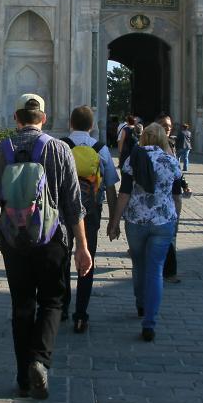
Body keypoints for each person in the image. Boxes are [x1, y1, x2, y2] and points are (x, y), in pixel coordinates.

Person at [0, 94, 92, 399]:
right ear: (44, 118)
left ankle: (23, 378)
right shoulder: (59, 149)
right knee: (52, 301)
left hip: (13, 241)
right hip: (52, 240)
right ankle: (40, 361)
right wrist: (83, 247)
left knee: (22, 306)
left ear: (16, 118)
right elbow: (73, 205)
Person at [106, 122, 184, 342]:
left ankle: (141, 303)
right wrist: (175, 221)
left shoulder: (133, 159)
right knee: (156, 270)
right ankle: (150, 321)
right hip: (163, 222)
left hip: (136, 221)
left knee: (139, 264)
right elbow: (177, 197)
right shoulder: (171, 161)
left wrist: (114, 222)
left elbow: (124, 194)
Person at [61, 105, 119, 333]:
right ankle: (81, 315)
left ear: (70, 124)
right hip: (91, 211)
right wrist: (113, 221)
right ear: (92, 126)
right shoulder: (101, 149)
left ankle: (62, 306)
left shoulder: (61, 146)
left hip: (64, 212)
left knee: (62, 258)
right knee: (87, 260)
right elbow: (111, 187)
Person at [156, 114, 184, 282]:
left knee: (170, 234)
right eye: (163, 125)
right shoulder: (149, 147)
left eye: (169, 125)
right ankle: (168, 272)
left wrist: (184, 184)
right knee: (167, 234)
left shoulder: (171, 144)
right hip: (159, 198)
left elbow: (177, 170)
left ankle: (168, 270)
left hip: (171, 196)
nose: (167, 128)